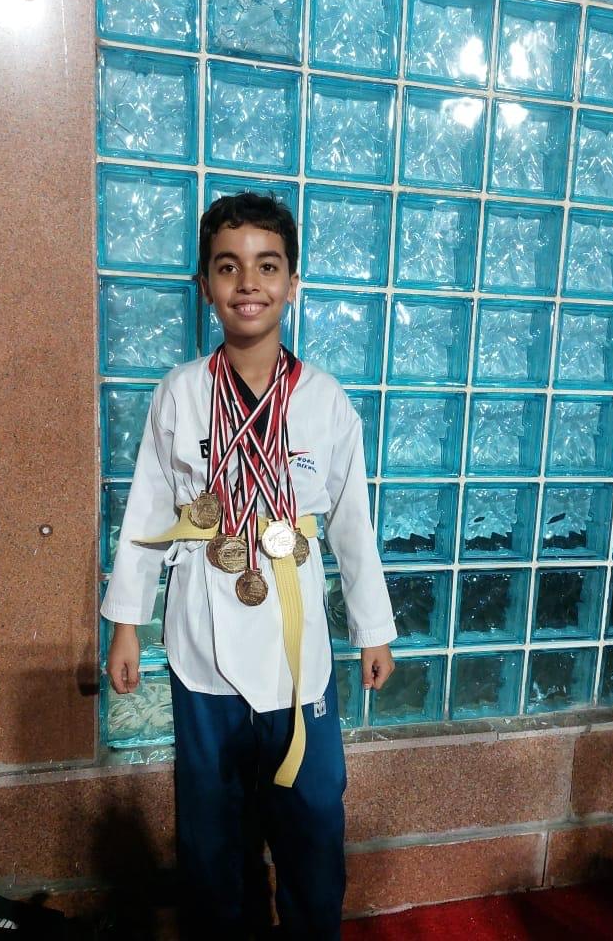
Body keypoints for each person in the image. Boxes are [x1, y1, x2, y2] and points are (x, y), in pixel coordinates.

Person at [102, 192, 397, 940]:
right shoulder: (181, 392)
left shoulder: (324, 399)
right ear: (204, 283)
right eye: (227, 267)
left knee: (313, 814)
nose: (248, 284)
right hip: (202, 632)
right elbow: (146, 510)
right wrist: (127, 623)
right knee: (210, 826)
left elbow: (352, 522)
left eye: (267, 266)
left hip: (297, 640)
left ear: (293, 282)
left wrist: (373, 628)